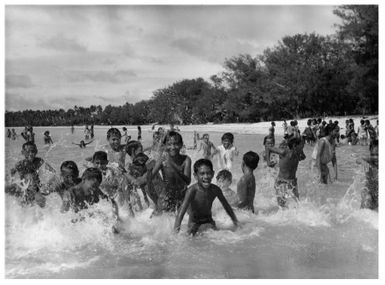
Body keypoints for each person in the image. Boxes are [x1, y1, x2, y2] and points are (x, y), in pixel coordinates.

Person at [174, 159, 238, 236]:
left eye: (208, 173)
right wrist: (175, 234)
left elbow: (227, 207)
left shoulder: (215, 190)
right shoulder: (192, 191)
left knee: (219, 238)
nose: (206, 176)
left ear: (213, 174)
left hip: (209, 222)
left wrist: (236, 223)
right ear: (195, 176)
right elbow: (181, 212)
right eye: (202, 173)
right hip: (194, 225)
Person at [151, 131, 191, 213]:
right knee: (159, 220)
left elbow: (187, 181)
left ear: (181, 145)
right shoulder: (163, 159)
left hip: (182, 194)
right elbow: (150, 177)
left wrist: (175, 168)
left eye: (176, 144)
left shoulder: (186, 160)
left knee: (187, 220)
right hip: (167, 194)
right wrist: (155, 197)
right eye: (169, 144)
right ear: (165, 145)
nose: (172, 147)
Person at [7, 142, 55, 207]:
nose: (31, 153)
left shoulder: (38, 161)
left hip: (35, 188)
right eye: (27, 151)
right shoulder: (20, 164)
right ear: (23, 152)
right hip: (23, 189)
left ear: (36, 152)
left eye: (33, 151)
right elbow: (10, 174)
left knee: (41, 202)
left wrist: (48, 183)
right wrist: (11, 181)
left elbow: (52, 171)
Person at [266, 137, 305, 207]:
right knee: (282, 206)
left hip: (293, 182)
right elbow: (268, 147)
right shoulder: (284, 152)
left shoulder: (297, 152)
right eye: (302, 145)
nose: (303, 146)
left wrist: (301, 154)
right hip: (282, 182)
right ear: (294, 146)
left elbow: (303, 157)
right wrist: (268, 162)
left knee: (297, 205)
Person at [356, 139, 378, 210]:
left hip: (377, 194)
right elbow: (358, 159)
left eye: (378, 155)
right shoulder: (370, 160)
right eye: (372, 154)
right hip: (368, 191)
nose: (375, 157)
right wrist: (363, 162)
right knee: (366, 201)